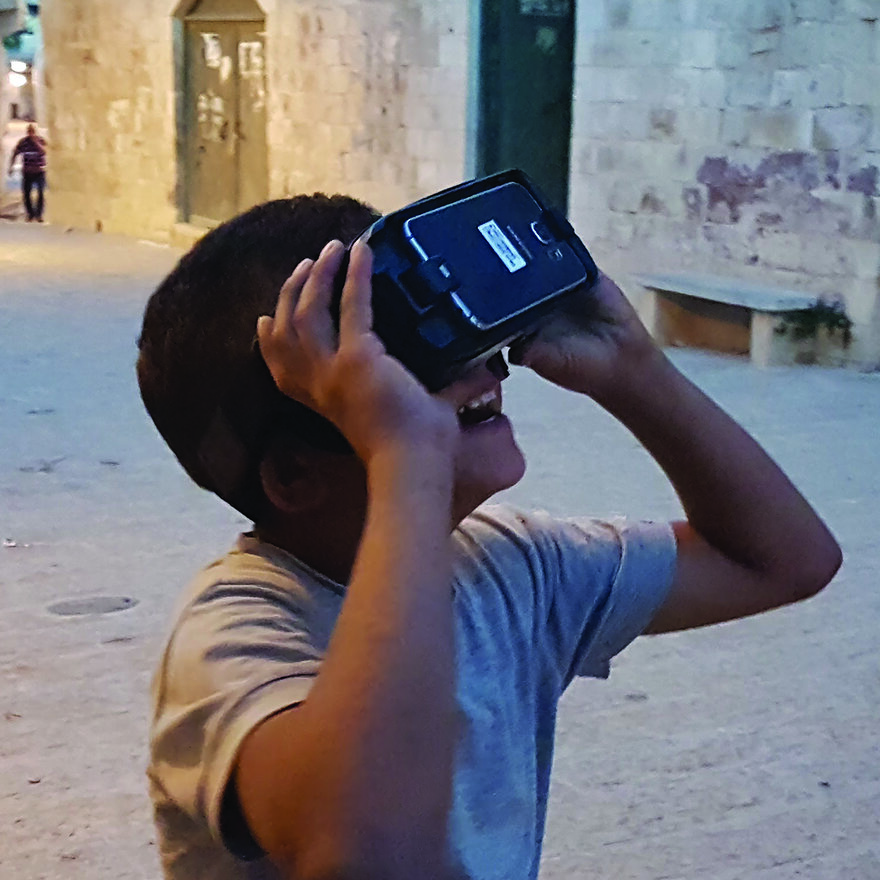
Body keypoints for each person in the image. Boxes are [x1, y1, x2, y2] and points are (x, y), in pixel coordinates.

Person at [137, 194, 841, 880]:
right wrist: (407, 454)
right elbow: (372, 857)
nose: (481, 363)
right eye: (400, 359)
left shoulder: (508, 564)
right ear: (294, 472)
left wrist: (635, 369)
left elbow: (784, 560)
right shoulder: (234, 637)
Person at [8, 123, 47, 223]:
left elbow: (45, 151)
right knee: (26, 193)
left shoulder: (41, 140)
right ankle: (30, 214)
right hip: (27, 171)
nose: (31, 134)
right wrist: (11, 166)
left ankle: (39, 214)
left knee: (40, 193)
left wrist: (36, 143)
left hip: (39, 171)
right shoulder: (23, 142)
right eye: (29, 131)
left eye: (32, 131)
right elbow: (15, 153)